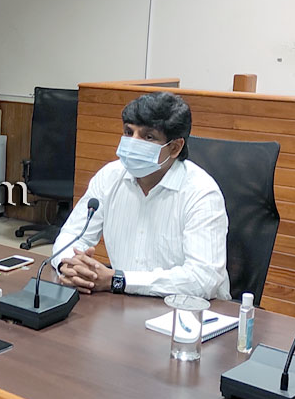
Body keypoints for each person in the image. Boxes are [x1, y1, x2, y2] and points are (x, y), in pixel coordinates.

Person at [50, 91, 230, 300]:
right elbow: (71, 236)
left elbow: (203, 279)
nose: (132, 143)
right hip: (124, 302)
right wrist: (69, 265)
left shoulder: (201, 193)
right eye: (129, 132)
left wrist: (117, 280)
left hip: (189, 309)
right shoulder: (110, 176)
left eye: (148, 137)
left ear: (174, 147)